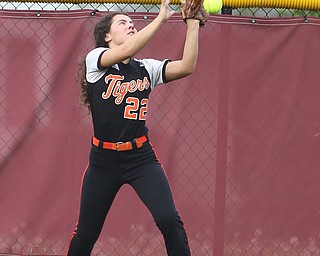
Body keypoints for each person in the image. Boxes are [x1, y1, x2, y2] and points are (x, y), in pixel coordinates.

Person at [67, 0, 205, 255]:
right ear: (107, 36)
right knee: (86, 234)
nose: (131, 26)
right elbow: (130, 47)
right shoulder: (96, 61)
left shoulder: (144, 68)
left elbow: (187, 66)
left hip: (140, 157)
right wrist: (161, 19)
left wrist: (193, 23)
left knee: (168, 219)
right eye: (123, 23)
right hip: (103, 161)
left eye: (132, 23)